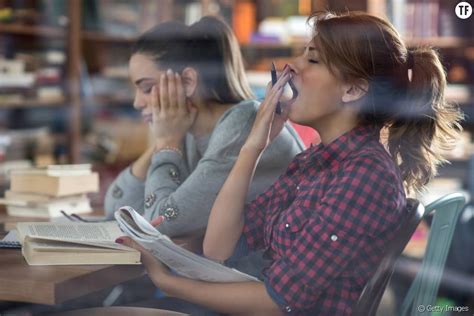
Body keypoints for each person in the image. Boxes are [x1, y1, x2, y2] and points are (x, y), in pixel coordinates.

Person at [118, 11, 463, 315]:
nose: (291, 66)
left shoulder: (365, 175)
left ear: (353, 90)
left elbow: (276, 302)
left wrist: (169, 282)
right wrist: (253, 144)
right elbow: (218, 247)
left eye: (312, 60)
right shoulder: (314, 161)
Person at [104, 16, 304, 275]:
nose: (137, 103)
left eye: (147, 88)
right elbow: (115, 208)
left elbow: (159, 224)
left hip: (263, 297)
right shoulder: (188, 131)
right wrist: (164, 141)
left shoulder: (242, 124)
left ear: (187, 82)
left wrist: (166, 142)